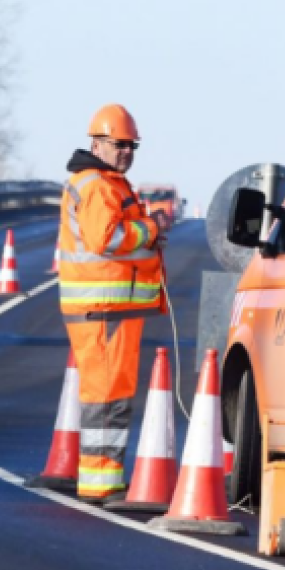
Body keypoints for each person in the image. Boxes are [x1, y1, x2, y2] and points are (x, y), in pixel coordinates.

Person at [57, 104, 172, 504]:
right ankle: (101, 481)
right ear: (97, 143)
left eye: (132, 146)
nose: (126, 152)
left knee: (110, 394)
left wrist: (147, 230)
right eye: (120, 145)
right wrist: (152, 228)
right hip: (103, 308)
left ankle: (104, 477)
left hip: (111, 309)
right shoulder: (98, 186)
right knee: (107, 398)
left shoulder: (108, 183)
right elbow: (104, 240)